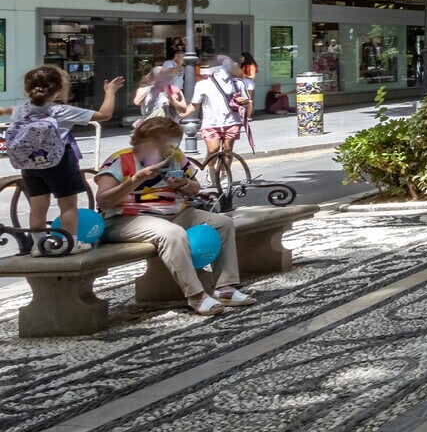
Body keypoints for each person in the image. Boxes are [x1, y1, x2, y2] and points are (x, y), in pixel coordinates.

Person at [97, 115, 249, 315]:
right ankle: (196, 296)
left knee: (222, 223)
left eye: (172, 143)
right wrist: (135, 180)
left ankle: (225, 288)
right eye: (166, 143)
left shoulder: (175, 157)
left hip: (174, 212)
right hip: (126, 217)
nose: (171, 147)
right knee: (172, 233)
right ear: (147, 141)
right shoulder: (120, 160)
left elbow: (195, 188)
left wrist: (184, 184)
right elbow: (104, 201)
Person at [5, 65, 123, 249]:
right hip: (60, 163)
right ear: (59, 88)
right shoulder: (62, 110)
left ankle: (39, 245)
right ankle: (70, 242)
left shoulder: (20, 109)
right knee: (67, 205)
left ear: (27, 89)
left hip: (30, 164)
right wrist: (110, 92)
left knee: (37, 205)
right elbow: (105, 115)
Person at [192, 55, 247, 160]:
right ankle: (211, 168)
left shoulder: (237, 83)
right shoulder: (202, 84)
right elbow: (195, 104)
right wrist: (184, 113)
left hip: (232, 121)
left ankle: (225, 170)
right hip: (211, 122)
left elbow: (247, 101)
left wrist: (244, 101)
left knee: (228, 149)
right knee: (213, 150)